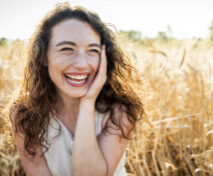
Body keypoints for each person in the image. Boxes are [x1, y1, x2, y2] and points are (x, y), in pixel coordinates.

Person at [8, 3, 144, 176]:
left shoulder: (120, 112)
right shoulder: (25, 114)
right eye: (66, 49)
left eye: (92, 50)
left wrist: (87, 102)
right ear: (43, 56)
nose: (81, 64)